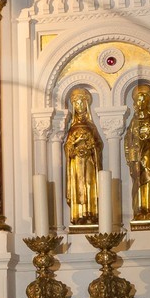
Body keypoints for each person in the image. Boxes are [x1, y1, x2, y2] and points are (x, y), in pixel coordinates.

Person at [124, 83, 150, 223]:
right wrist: (131, 156)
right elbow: (127, 140)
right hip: (137, 161)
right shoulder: (133, 121)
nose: (140, 102)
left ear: (148, 101)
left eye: (143, 99)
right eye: (138, 100)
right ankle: (139, 210)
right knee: (138, 184)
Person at [64, 87, 103, 228]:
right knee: (78, 188)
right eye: (76, 103)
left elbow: (99, 145)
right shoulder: (72, 128)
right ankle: (78, 215)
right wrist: (74, 144)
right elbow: (67, 148)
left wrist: (91, 146)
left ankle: (91, 214)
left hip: (90, 163)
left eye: (81, 102)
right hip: (76, 164)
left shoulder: (91, 127)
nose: (79, 105)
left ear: (86, 104)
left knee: (89, 185)